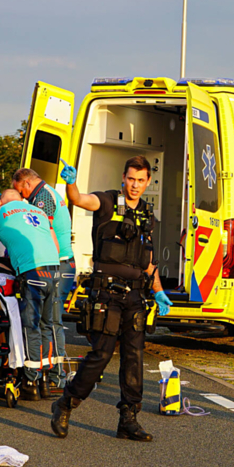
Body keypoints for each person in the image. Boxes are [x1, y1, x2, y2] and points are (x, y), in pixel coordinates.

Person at [50, 155, 172, 442]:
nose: (135, 185)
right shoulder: (107, 201)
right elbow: (80, 199)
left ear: (148, 182)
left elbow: (149, 262)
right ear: (123, 177)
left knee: (134, 358)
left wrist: (159, 291)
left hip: (136, 296)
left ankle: (128, 419)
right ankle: (66, 403)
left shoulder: (147, 216)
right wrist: (71, 183)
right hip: (107, 293)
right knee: (101, 355)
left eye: (141, 180)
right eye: (131, 179)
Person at [0, 189, 61, 399]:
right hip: (53, 270)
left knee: (30, 327)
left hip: (31, 272)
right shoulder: (38, 212)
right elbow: (55, 246)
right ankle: (45, 381)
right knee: (47, 325)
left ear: (2, 202)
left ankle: (30, 382)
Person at [12, 167, 74, 391]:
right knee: (47, 322)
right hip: (58, 262)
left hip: (58, 262)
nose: (22, 196)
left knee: (51, 322)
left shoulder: (42, 196)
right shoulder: (45, 191)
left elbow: (42, 230)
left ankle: (56, 375)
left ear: (26, 183)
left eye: (21, 191)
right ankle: (50, 372)